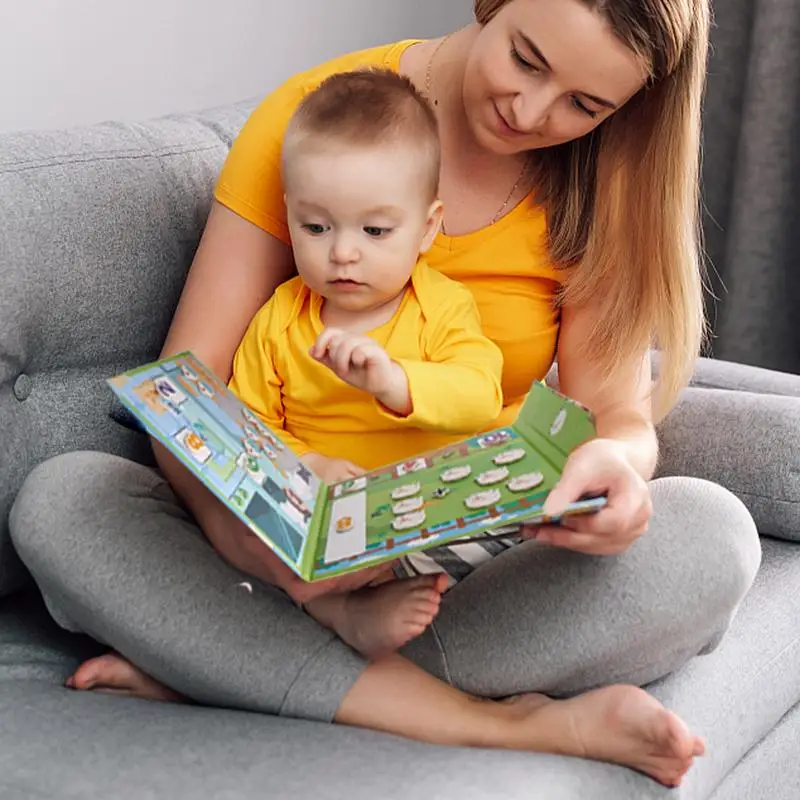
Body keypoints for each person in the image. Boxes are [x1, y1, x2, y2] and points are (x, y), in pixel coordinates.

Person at [10, 0, 762, 789]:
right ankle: (495, 722)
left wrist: (618, 468)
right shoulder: (321, 116)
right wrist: (277, 558)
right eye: (527, 60)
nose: (532, 111)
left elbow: (618, 417)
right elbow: (183, 401)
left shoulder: (598, 179)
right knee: (66, 500)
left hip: (462, 571)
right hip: (276, 555)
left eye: (585, 104)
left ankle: (233, 668)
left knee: (713, 539)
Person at [228, 68, 504, 657]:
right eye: (316, 226)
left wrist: (395, 381)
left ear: (428, 229)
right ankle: (334, 610)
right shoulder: (281, 319)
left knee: (521, 519)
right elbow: (243, 427)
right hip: (323, 526)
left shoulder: (443, 308)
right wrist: (308, 465)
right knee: (241, 527)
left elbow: (480, 392)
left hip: (425, 519)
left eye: (376, 230)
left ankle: (340, 616)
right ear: (289, 215)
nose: (344, 252)